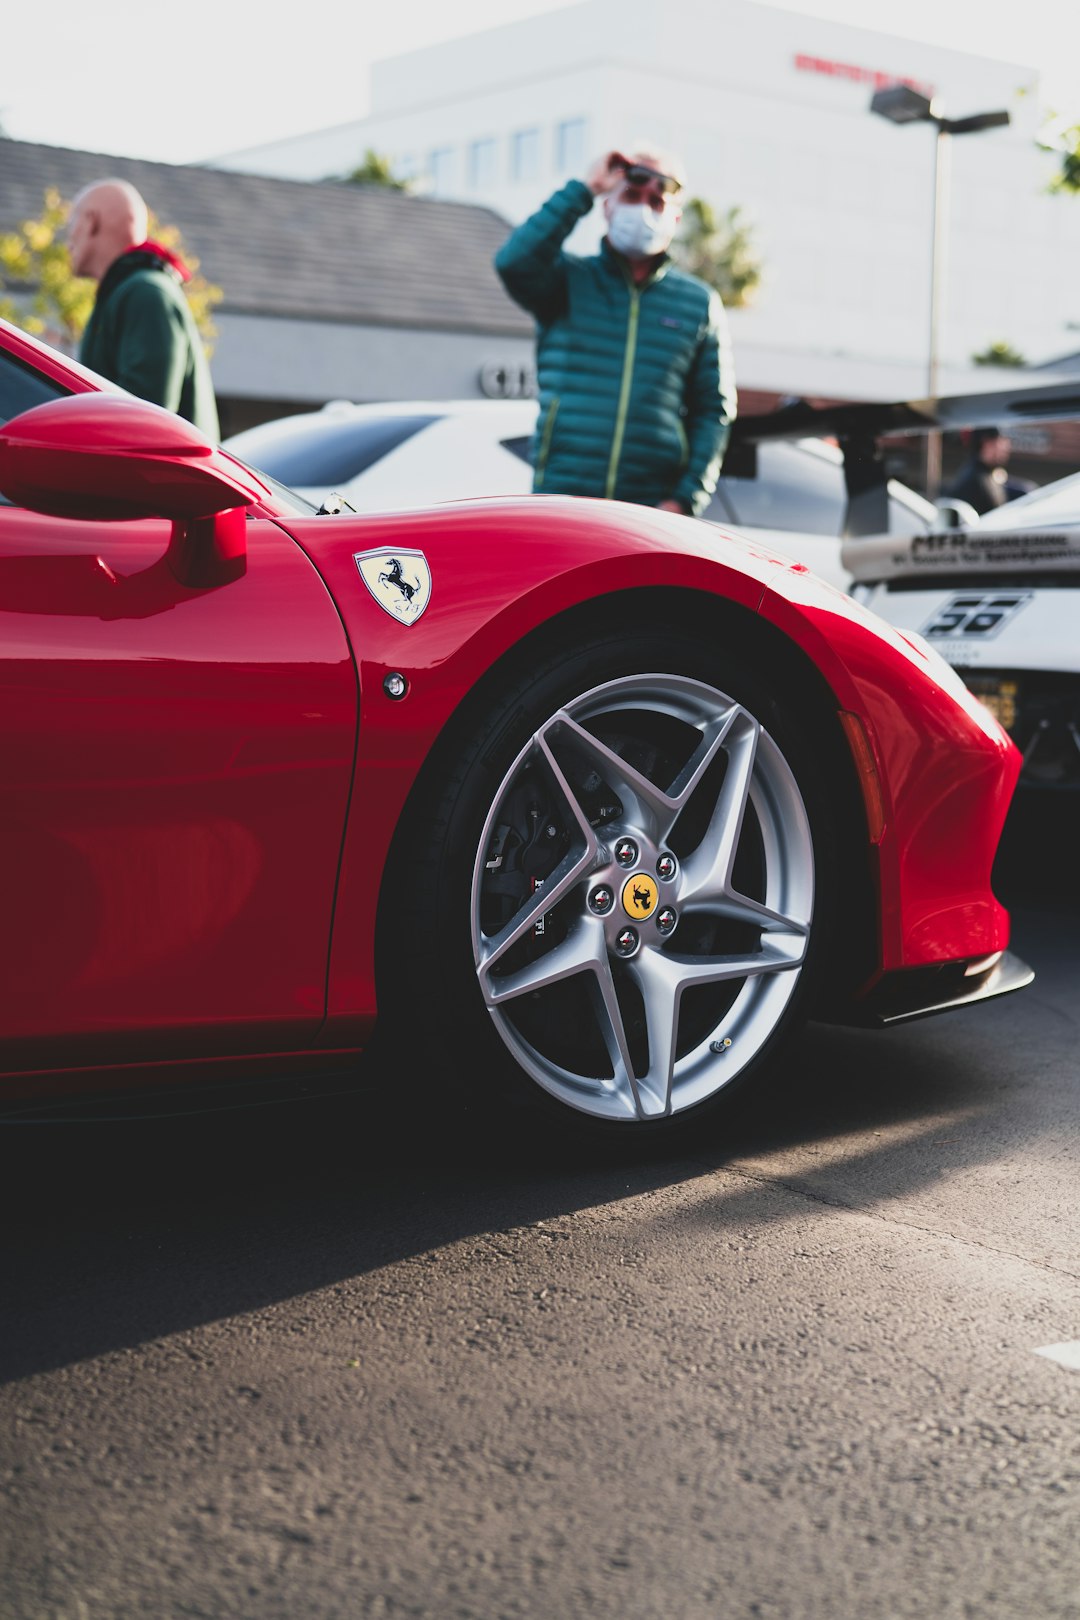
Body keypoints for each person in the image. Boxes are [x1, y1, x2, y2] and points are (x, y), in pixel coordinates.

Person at [494, 146, 735, 516]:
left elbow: (713, 411)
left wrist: (684, 500)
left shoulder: (699, 303)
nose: (643, 209)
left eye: (656, 201)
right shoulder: (568, 280)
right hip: (561, 502)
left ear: (675, 217)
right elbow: (513, 262)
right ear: (608, 207)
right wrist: (586, 188)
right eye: (632, 196)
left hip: (650, 515)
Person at [68, 179, 220, 440]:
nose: (68, 240)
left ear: (91, 221)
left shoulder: (146, 294)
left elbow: (142, 420)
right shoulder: (132, 291)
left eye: (71, 226)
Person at [944, 426, 1013, 515]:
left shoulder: (986, 475)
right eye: (1001, 441)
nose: (1006, 447)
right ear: (986, 443)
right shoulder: (974, 481)